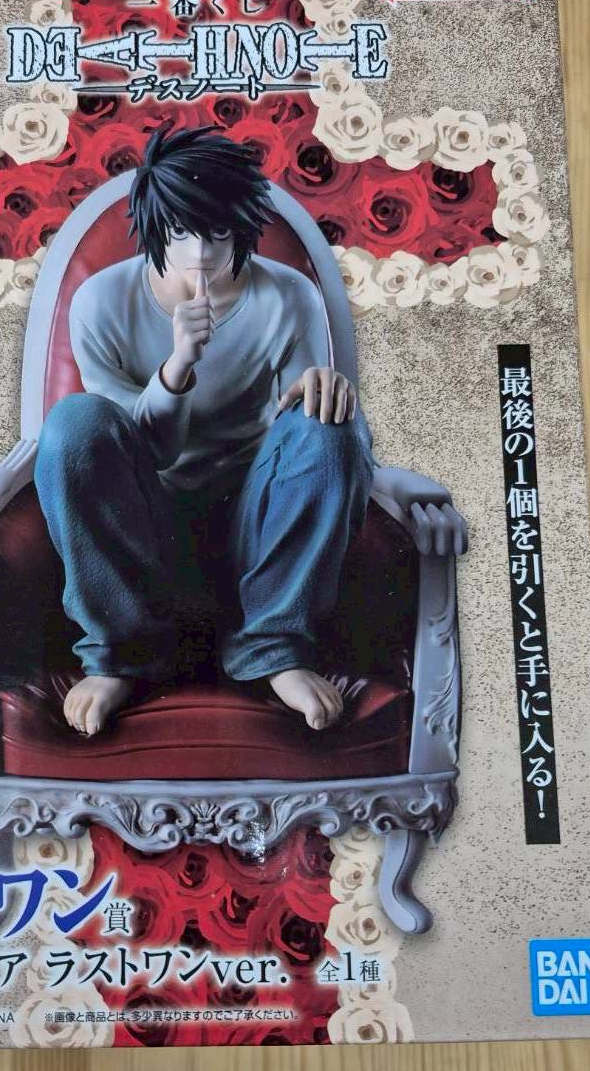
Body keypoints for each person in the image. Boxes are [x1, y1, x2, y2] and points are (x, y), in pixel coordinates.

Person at [33, 124, 376, 738]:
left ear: (243, 228)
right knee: (74, 422)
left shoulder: (289, 296)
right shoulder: (100, 301)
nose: (199, 253)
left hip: (253, 526)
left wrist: (325, 389)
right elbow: (140, 448)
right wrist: (178, 366)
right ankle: (119, 654)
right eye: (180, 231)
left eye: (218, 233)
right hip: (146, 524)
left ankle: (275, 646)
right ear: (153, 225)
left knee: (330, 423)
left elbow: (304, 440)